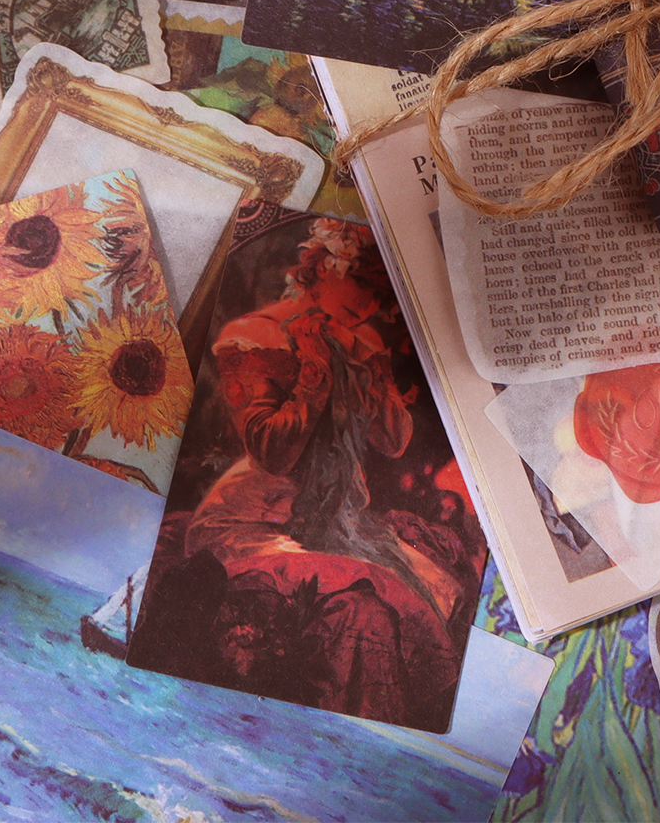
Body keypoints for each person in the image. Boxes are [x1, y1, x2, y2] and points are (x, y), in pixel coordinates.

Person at [181, 218, 471, 728]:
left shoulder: (358, 341)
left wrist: (369, 372)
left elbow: (394, 441)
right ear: (322, 269)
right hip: (256, 522)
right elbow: (272, 452)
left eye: (381, 290)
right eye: (364, 282)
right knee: (380, 599)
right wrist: (315, 369)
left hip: (337, 524)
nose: (373, 301)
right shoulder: (254, 335)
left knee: (442, 586)